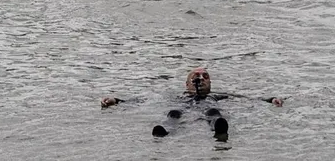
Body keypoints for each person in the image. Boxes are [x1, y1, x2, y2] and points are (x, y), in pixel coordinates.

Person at [100, 67, 284, 139]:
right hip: (183, 108)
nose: (201, 79)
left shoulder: (218, 96)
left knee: (212, 111)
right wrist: (116, 100)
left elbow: (247, 99)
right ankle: (165, 130)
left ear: (210, 84)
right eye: (196, 77)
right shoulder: (177, 97)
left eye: (205, 77)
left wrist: (270, 99)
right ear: (187, 84)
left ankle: (218, 128)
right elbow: (143, 100)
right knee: (174, 113)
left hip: (208, 109)